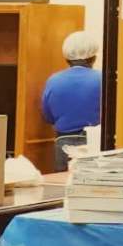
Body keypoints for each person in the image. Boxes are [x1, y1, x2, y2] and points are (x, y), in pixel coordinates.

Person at [39, 28, 106, 162]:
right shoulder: (103, 79)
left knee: (62, 180)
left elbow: (47, 116)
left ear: (66, 58)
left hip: (63, 145)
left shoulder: (53, 81)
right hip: (95, 144)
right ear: (93, 57)